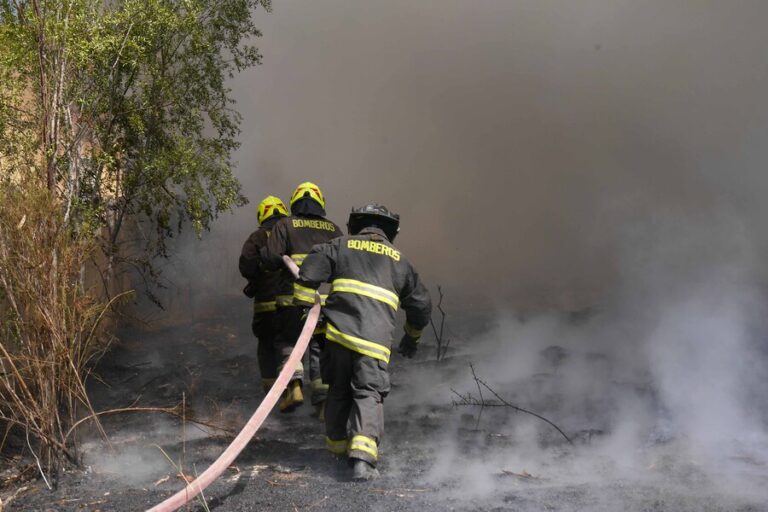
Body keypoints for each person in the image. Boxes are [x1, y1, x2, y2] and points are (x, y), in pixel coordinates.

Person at [293, 203, 432, 480]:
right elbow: (422, 305)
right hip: (374, 344)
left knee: (338, 391)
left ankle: (336, 450)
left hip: (338, 338)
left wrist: (305, 309)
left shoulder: (340, 245)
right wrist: (411, 338)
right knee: (368, 393)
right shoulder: (400, 261)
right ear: (390, 231)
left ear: (356, 225)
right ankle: (363, 461)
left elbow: (309, 271)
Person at [261, 182, 343, 414]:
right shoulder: (334, 230)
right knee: (321, 347)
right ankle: (323, 402)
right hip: (326, 302)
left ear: (294, 204)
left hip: (292, 298)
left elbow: (270, 258)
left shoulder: (285, 224)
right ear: (321, 204)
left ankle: (294, 387)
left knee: (289, 341)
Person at [238, 195, 289, 394]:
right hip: (292, 304)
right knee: (291, 345)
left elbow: (246, 265)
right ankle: (292, 386)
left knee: (267, 346)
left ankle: (271, 393)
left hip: (265, 306)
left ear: (262, 215)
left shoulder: (257, 237)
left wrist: (259, 274)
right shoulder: (291, 232)